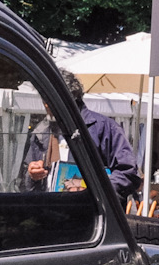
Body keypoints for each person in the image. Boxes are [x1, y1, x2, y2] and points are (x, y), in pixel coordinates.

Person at [30, 71, 141, 202]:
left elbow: (128, 173)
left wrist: (97, 194)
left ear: (70, 99)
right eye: (44, 98)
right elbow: (25, 182)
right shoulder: (42, 131)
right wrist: (33, 174)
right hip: (52, 213)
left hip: (92, 216)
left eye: (50, 99)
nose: (46, 105)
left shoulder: (105, 128)